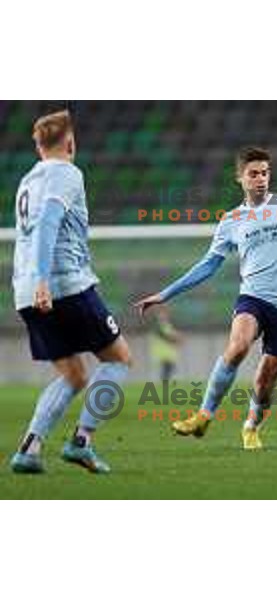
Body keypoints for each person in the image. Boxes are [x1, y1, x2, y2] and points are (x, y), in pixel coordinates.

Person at [135, 146, 277, 449]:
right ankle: (203, 415)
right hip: (254, 297)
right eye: (253, 174)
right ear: (240, 178)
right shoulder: (232, 220)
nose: (261, 179)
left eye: (265, 173)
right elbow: (208, 265)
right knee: (237, 347)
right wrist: (166, 294)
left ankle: (251, 426)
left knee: (264, 383)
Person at [10, 110, 132, 474]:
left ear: (38, 145)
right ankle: (82, 442)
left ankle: (29, 450)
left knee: (73, 375)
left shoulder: (28, 179)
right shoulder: (67, 173)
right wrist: (46, 279)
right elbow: (49, 221)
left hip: (25, 291)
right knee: (119, 359)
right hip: (62, 284)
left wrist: (36, 283)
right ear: (70, 142)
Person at [150, 305, 182, 382]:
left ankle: (165, 386)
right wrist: (176, 339)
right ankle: (164, 387)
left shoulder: (167, 325)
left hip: (169, 353)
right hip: (162, 354)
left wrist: (176, 338)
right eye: (161, 313)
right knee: (166, 371)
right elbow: (165, 336)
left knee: (169, 371)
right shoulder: (157, 326)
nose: (163, 315)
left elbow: (170, 335)